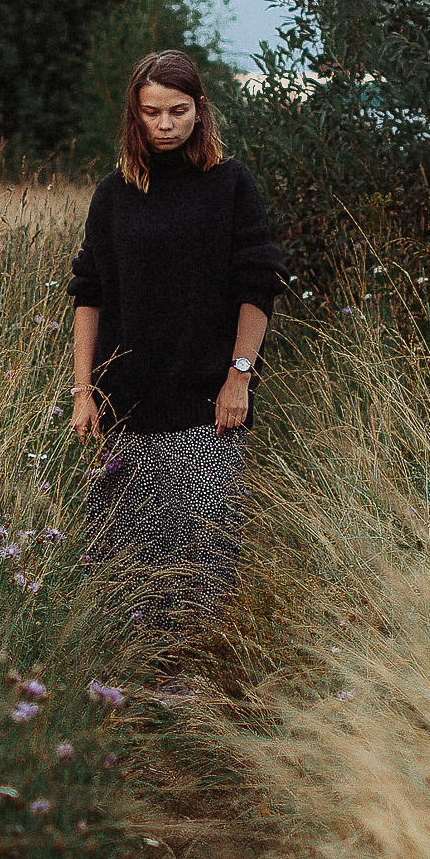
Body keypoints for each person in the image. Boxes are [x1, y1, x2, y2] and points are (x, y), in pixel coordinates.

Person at [69, 47, 286, 636]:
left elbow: (257, 288)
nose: (165, 124)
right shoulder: (114, 194)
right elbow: (88, 294)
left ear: (199, 111)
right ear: (134, 117)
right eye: (152, 112)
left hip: (206, 406)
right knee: (123, 554)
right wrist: (82, 390)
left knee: (204, 552)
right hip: (125, 407)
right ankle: (131, 679)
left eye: (178, 110)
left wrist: (238, 377)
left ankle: (196, 676)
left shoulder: (229, 185)